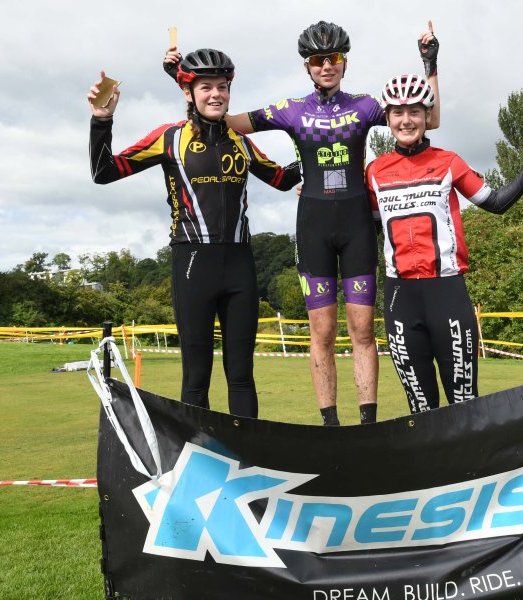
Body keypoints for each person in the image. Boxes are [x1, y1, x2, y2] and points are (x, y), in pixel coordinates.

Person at [164, 21, 441, 425]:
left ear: (344, 62)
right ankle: (330, 426)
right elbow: (219, 118)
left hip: (357, 229)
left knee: (363, 332)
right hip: (313, 229)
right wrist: (182, 80)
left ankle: (367, 424)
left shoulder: (366, 106)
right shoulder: (292, 109)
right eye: (317, 60)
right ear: (306, 66)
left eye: (334, 58)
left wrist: (430, 63)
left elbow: (428, 120)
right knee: (322, 334)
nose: (326, 66)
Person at [88, 49, 301, 417]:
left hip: (240, 264)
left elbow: (281, 179)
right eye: (206, 87)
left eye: (222, 86)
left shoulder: (240, 140)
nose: (216, 94)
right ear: (188, 92)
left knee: (241, 375)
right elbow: (103, 171)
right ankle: (200, 451)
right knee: (196, 377)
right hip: (192, 263)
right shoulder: (170, 137)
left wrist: (322, 151)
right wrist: (101, 120)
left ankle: (246, 450)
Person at [365, 74, 523, 414]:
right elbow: (367, 226)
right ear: (387, 118)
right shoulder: (374, 171)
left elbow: (496, 203)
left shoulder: (448, 162)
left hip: (447, 292)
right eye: (398, 112)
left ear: (427, 116)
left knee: (463, 403)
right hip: (400, 297)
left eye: (414, 111)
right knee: (420, 406)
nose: (406, 120)